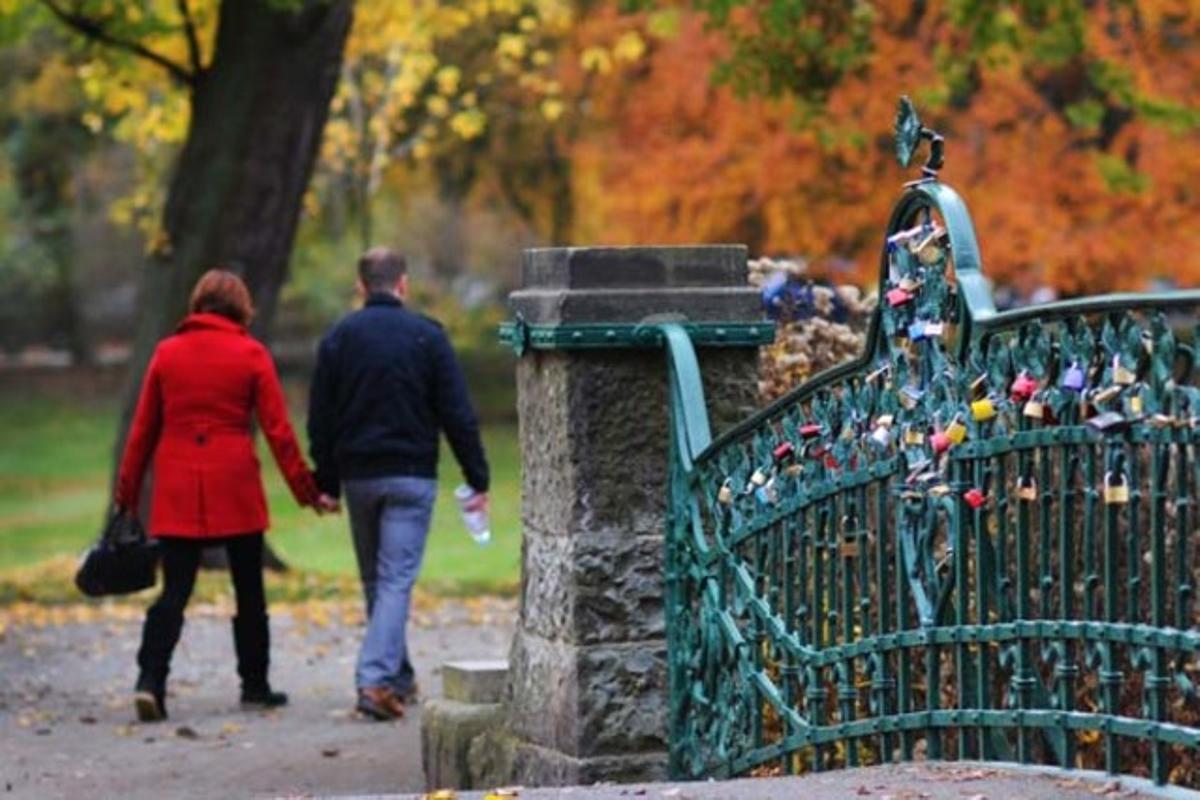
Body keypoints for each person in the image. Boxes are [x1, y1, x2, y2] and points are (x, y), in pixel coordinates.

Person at [115, 269, 332, 722]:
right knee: (249, 589)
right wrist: (308, 492)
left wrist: (127, 498)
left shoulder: (166, 354)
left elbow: (141, 433)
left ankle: (150, 681)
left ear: (198, 304)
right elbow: (279, 433)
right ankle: (255, 686)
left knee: (175, 589)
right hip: (234, 484)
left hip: (177, 487)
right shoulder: (251, 354)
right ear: (241, 307)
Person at [308, 246, 489, 721]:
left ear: (361, 287)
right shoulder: (426, 337)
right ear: (403, 285)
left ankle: (398, 676)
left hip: (359, 477)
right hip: (410, 474)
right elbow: (457, 414)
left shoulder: (339, 338)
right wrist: (477, 476)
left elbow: (320, 419)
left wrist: (325, 480)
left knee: (378, 580)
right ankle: (374, 681)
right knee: (394, 581)